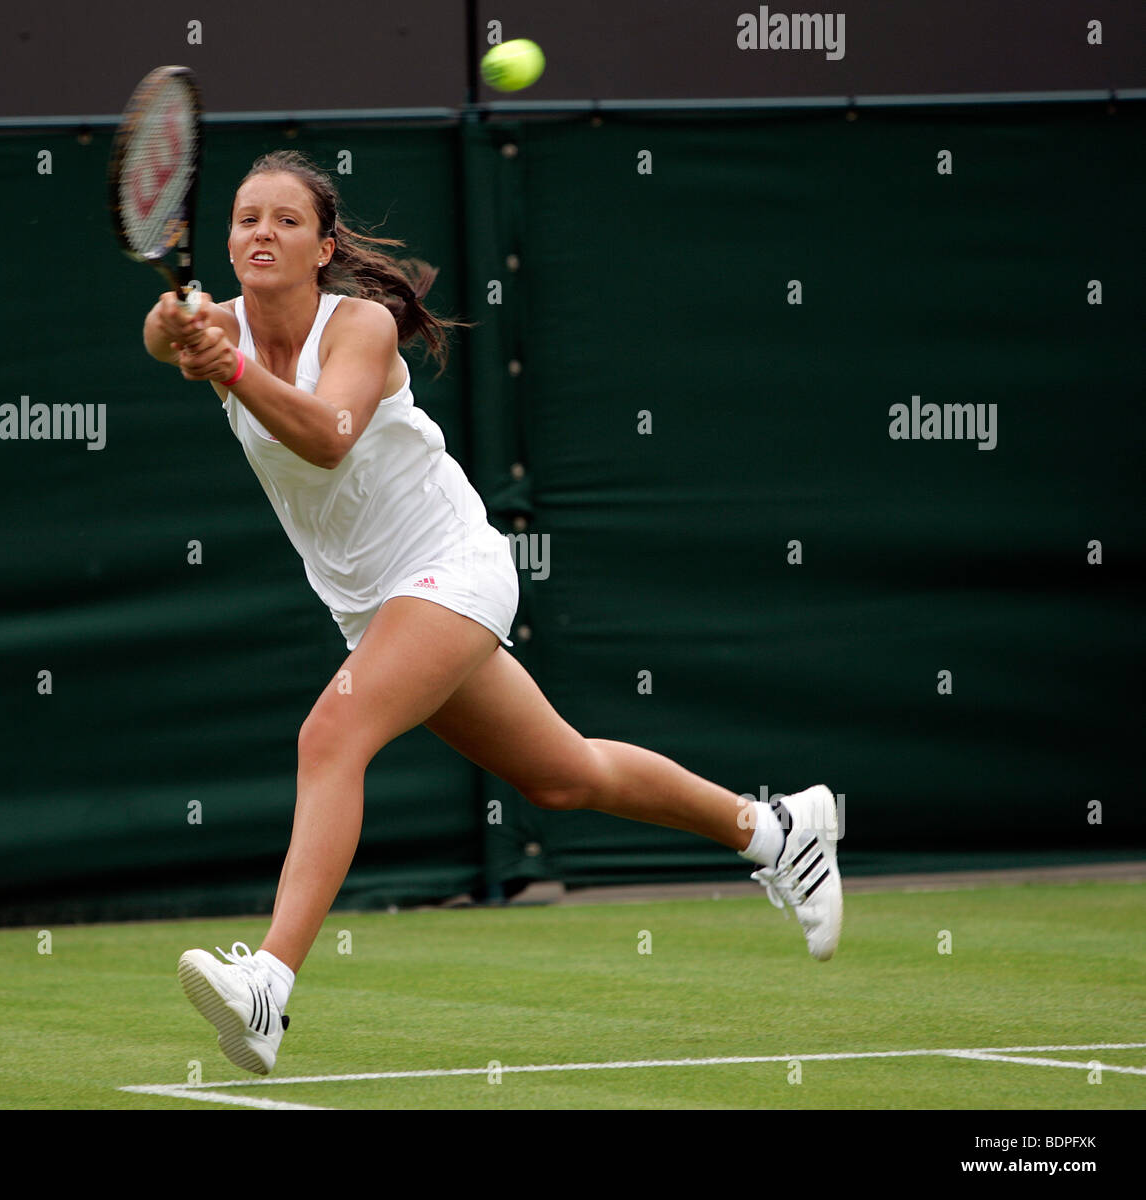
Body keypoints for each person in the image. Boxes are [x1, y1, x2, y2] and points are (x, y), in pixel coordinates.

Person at [143, 150, 843, 1077]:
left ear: (323, 248)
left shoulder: (363, 327)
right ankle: (776, 831)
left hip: (450, 569)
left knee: (329, 737)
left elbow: (324, 440)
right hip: (372, 606)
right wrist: (180, 333)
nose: (261, 233)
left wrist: (226, 365)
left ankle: (270, 983)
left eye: (286, 221)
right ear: (226, 241)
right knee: (563, 774)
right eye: (245, 219)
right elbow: (164, 335)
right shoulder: (217, 321)